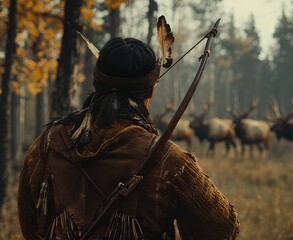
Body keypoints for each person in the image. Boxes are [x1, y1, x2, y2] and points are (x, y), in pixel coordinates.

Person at [18, 37, 240, 239]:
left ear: (96, 84)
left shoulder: (45, 145)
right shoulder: (168, 160)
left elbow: (30, 227)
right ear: (151, 92)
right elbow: (222, 230)